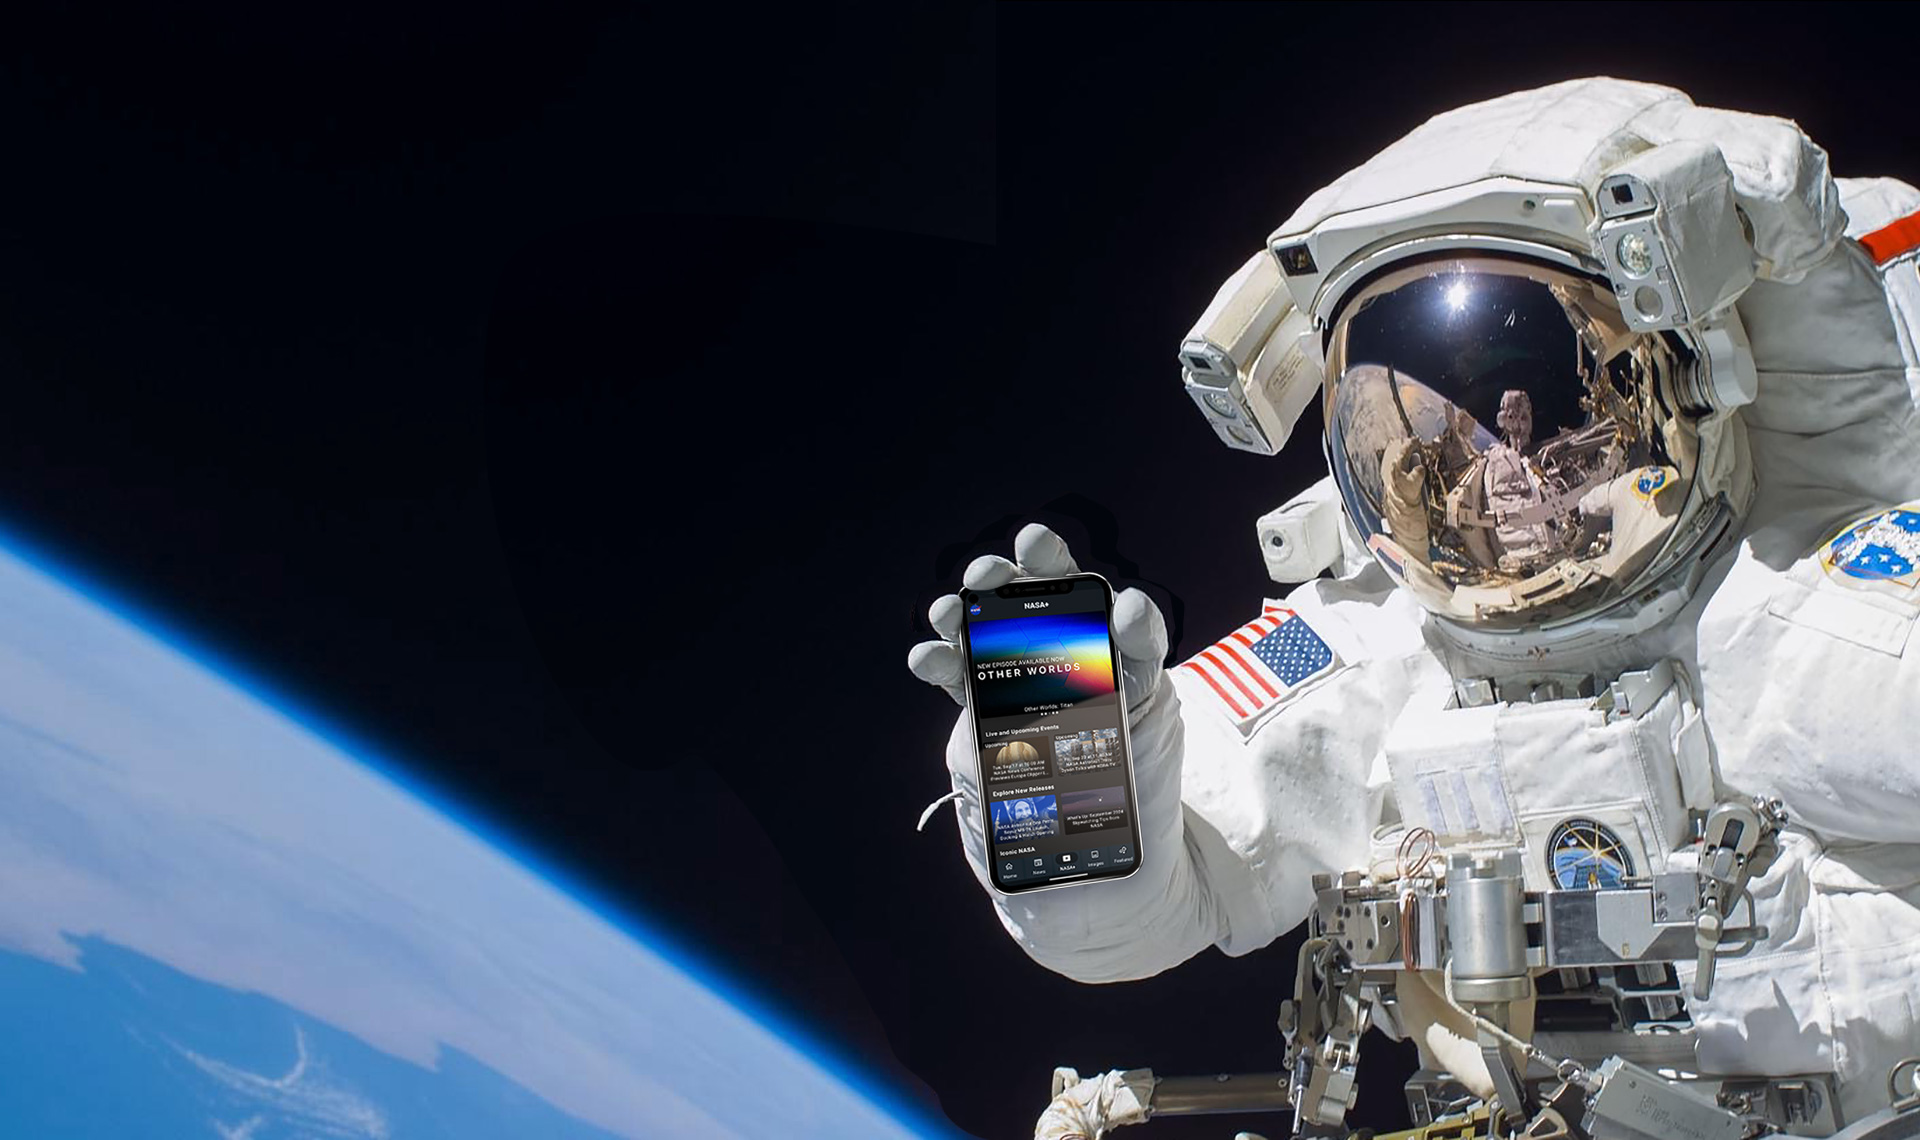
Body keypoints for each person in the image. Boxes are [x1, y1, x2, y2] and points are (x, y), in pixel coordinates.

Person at [907, 78, 1920, 1126]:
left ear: (1695, 385)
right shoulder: (1366, 653)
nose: (1497, 466)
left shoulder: (1807, 621)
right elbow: (1132, 917)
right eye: (1436, 423)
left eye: (1543, 409)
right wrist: (1077, 767)